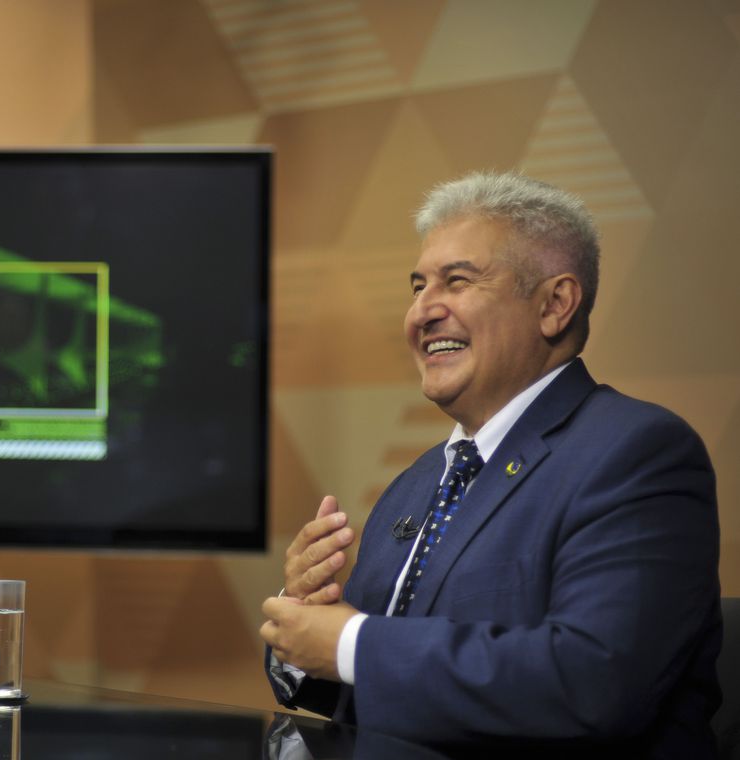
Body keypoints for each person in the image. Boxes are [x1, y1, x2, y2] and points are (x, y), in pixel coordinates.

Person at [260, 171, 721, 757]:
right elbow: (386, 686)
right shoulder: (417, 483)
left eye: (457, 281)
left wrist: (350, 641)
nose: (421, 313)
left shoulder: (638, 453)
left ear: (554, 305)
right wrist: (305, 623)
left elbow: (593, 683)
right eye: (417, 287)